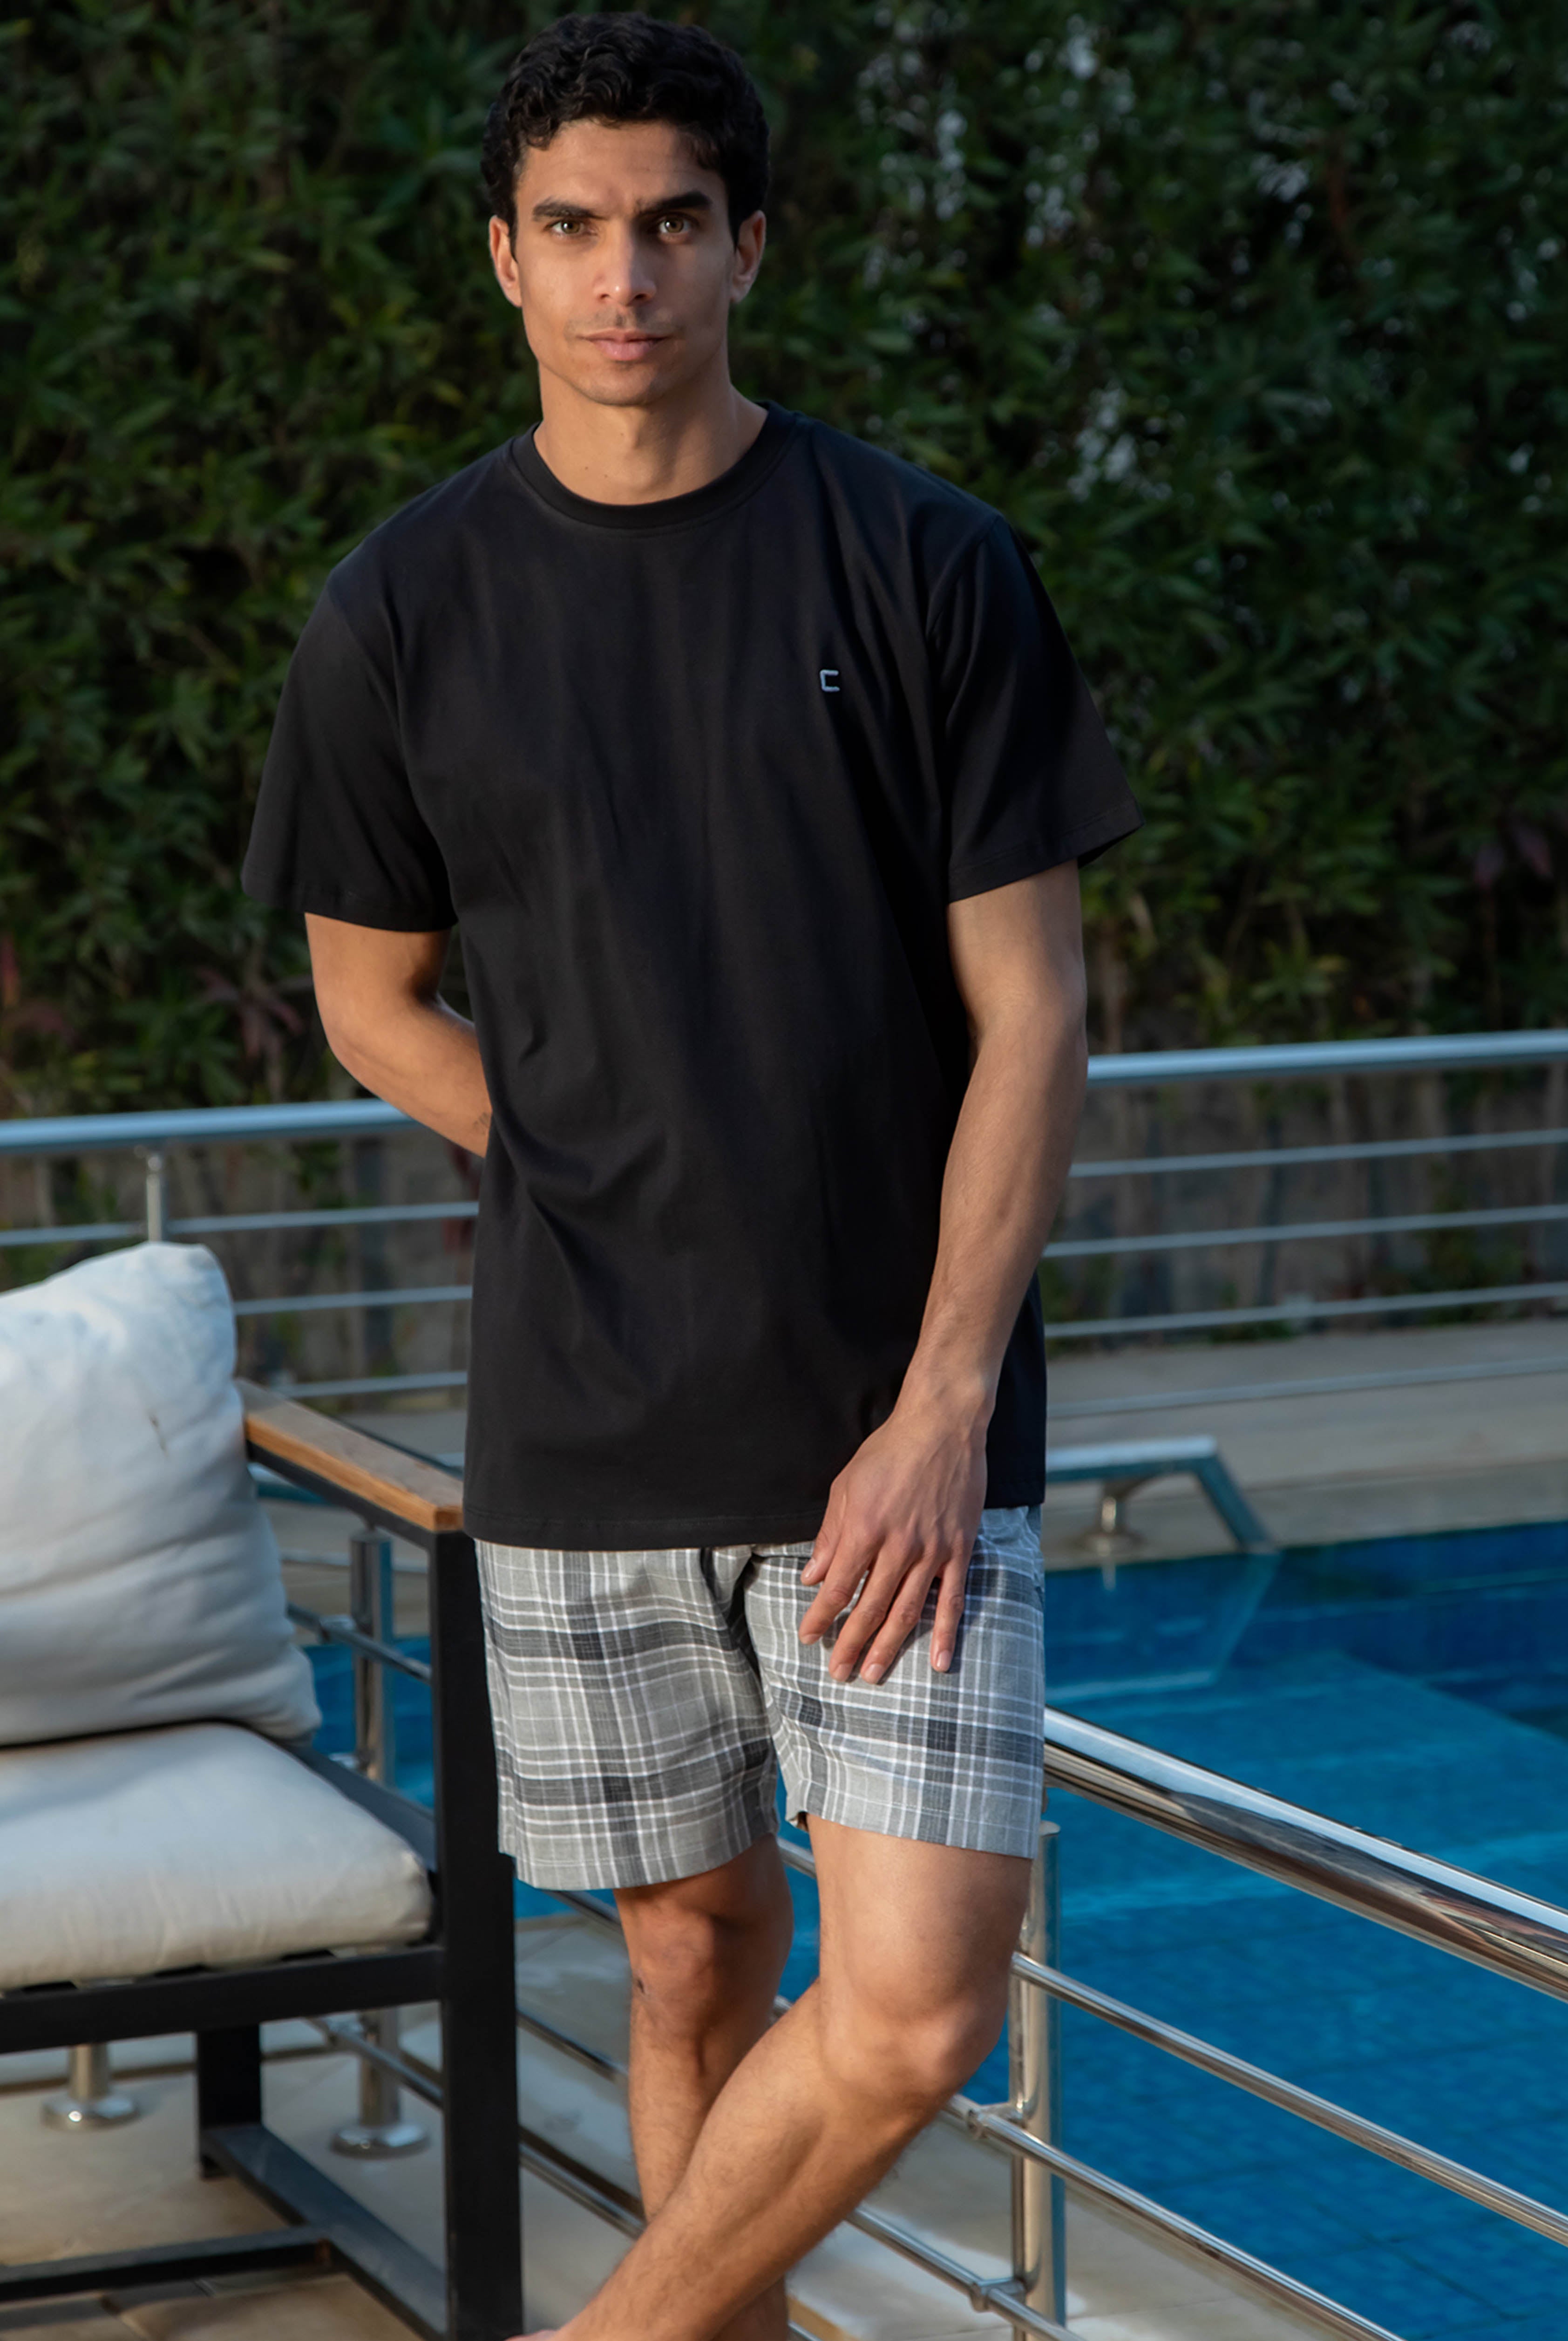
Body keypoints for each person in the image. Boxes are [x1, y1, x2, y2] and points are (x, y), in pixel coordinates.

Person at [243, 14, 1140, 2336]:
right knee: (688, 1955)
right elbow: (369, 999)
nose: (620, 274)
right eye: (571, 227)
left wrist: (941, 1407)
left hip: (890, 1424)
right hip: (587, 1416)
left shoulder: (923, 563)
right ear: (502, 259)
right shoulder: (400, 609)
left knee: (915, 2000)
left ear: (750, 244)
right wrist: (588, 1165)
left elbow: (1033, 1016)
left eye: (668, 223)